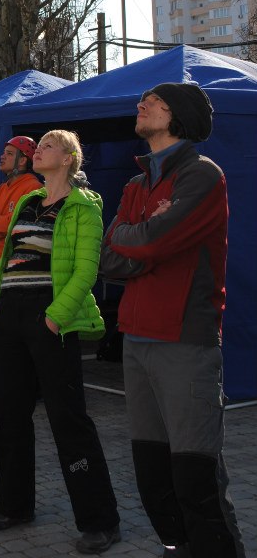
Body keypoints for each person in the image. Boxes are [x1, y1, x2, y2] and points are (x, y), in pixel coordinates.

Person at [100, 83, 245, 558]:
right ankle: (176, 549)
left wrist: (137, 242)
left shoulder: (202, 175)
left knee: (195, 476)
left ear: (178, 115)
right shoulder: (136, 184)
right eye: (142, 98)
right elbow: (112, 256)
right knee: (152, 474)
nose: (141, 105)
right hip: (136, 338)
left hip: (185, 337)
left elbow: (147, 245)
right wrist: (139, 242)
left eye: (155, 101)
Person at [0, 130, 120, 555]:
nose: (37, 151)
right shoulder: (27, 201)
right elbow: (7, 258)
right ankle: (14, 506)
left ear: (69, 158)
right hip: (10, 316)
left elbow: (86, 270)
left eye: (47, 146)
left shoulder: (84, 207)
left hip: (50, 316)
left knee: (69, 419)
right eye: (37, 146)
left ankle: (100, 520)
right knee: (9, 416)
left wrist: (55, 319)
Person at [0, 136, 41, 264]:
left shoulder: (34, 187)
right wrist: (5, 223)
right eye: (4, 153)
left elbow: (17, 226)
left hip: (20, 265)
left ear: (22, 161)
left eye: (9, 154)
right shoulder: (1, 188)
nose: (2, 156)